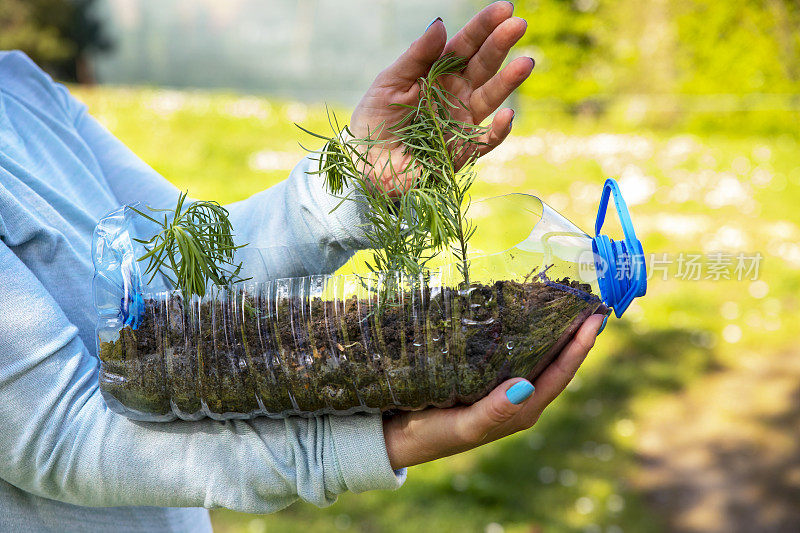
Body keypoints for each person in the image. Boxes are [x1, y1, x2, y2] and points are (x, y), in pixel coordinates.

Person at [0, 2, 603, 531]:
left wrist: (357, 180)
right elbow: (66, 439)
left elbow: (190, 272)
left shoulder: (20, 88)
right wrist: (371, 441)